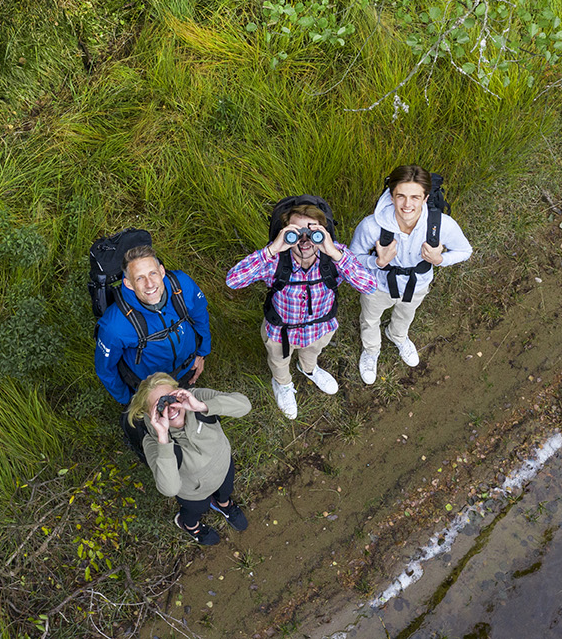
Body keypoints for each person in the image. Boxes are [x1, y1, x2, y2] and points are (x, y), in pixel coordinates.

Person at [226, 201, 376, 419]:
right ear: (284, 233)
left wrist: (334, 253)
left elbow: (369, 286)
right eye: (296, 232)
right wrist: (273, 248)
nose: (305, 240)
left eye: (313, 231)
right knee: (279, 362)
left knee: (312, 353)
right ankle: (283, 384)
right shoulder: (275, 259)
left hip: (320, 329)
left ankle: (309, 369)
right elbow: (233, 280)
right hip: (281, 333)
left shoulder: (336, 256)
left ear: (324, 232)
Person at [350, 165, 472, 384]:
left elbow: (465, 251)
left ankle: (396, 335)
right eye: (401, 196)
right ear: (391, 195)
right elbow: (352, 259)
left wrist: (440, 260)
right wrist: (377, 262)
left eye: (415, 197)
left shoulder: (441, 225)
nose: (407, 205)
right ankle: (371, 350)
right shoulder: (371, 226)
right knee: (370, 319)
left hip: (418, 284)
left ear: (425, 197)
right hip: (377, 285)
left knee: (406, 314)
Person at [128, 372, 252, 546]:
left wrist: (201, 406)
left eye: (169, 399)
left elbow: (244, 406)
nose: (169, 409)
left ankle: (223, 504)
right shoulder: (153, 440)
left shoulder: (196, 398)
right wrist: (163, 437)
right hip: (194, 493)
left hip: (223, 466)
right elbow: (170, 489)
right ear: (149, 415)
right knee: (195, 510)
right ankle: (189, 525)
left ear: (178, 392)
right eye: (159, 408)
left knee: (226, 489)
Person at [94, 246, 211, 406]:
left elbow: (200, 315)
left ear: (162, 271)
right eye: (139, 278)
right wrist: (129, 400)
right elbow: (105, 369)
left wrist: (202, 353)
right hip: (150, 389)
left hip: (187, 369)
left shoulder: (182, 285)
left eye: (153, 273)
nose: (149, 284)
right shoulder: (114, 326)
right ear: (128, 283)